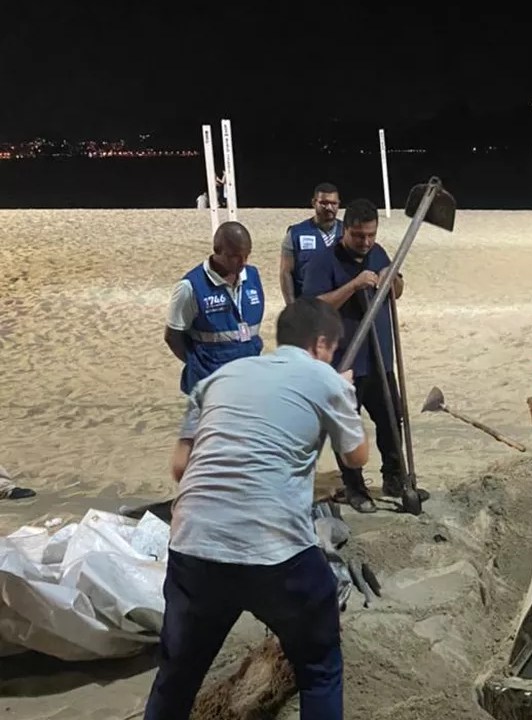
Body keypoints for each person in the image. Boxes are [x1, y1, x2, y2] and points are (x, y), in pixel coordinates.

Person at [142, 297, 368, 720]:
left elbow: (179, 467)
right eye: (332, 350)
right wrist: (346, 395)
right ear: (320, 345)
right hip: (275, 553)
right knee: (320, 666)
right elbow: (356, 457)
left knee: (177, 677)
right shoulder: (326, 379)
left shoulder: (219, 378)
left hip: (194, 544)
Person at [301, 198, 427, 514]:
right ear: (346, 230)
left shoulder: (379, 253)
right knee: (349, 429)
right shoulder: (323, 261)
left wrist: (393, 281)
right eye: (359, 236)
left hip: (380, 357)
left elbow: (396, 291)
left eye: (371, 235)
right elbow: (314, 308)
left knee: (390, 420)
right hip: (345, 363)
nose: (366, 242)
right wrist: (354, 285)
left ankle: (395, 480)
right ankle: (355, 488)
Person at [164, 221, 264, 395]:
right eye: (234, 256)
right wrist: (198, 365)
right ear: (217, 250)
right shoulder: (189, 287)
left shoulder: (253, 277)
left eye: (246, 255)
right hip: (209, 386)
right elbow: (173, 337)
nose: (242, 262)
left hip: (248, 380)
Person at [281, 183, 345, 305]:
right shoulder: (296, 234)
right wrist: (291, 306)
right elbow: (286, 272)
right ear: (314, 202)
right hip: (308, 305)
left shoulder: (347, 232)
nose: (329, 207)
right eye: (324, 203)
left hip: (341, 305)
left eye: (333, 203)